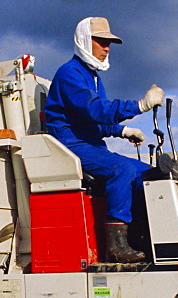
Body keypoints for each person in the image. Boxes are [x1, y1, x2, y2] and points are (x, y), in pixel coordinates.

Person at [43, 17, 164, 263]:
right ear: (84, 41)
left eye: (109, 43)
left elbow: (97, 119)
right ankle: (117, 246)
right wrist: (139, 106)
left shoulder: (94, 77)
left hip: (89, 144)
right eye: (101, 41)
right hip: (70, 144)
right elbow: (95, 110)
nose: (106, 47)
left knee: (149, 175)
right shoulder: (70, 74)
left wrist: (122, 131)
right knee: (122, 168)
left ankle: (140, 236)